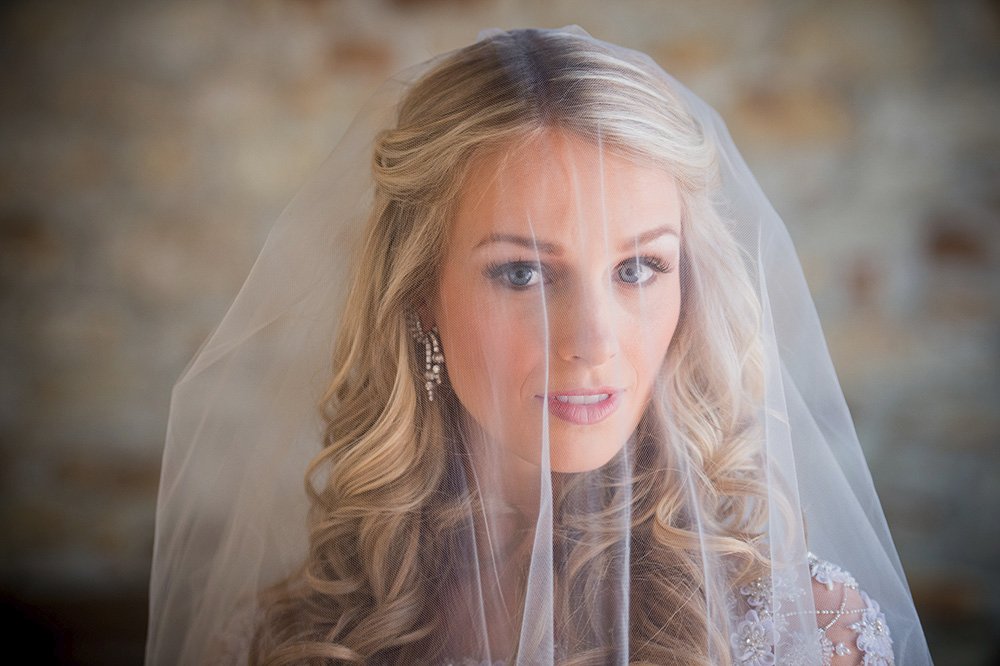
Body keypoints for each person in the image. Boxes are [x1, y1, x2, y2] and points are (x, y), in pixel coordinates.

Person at [146, 27, 932, 665]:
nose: (593, 343)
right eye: (521, 272)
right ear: (421, 293)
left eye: (638, 267)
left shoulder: (805, 637)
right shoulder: (294, 639)